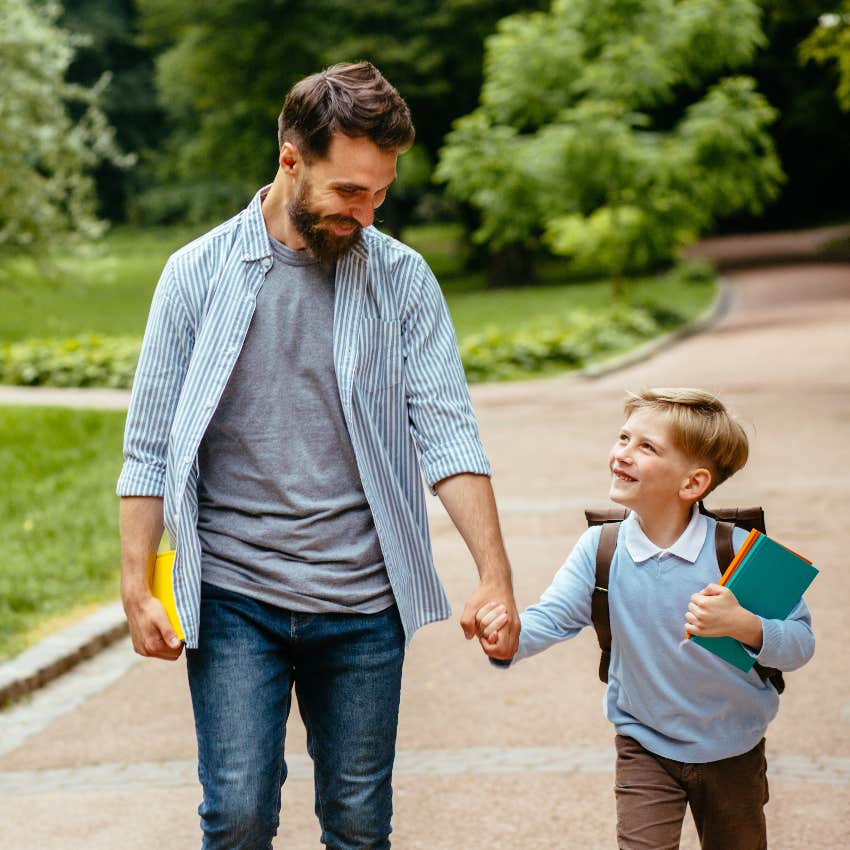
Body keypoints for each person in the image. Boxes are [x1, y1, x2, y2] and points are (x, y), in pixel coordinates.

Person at [117, 61, 518, 850]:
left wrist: (494, 577)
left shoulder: (401, 279)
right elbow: (150, 445)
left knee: (360, 825)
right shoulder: (194, 275)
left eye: (381, 193)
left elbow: (447, 432)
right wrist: (137, 585)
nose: (367, 215)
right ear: (290, 158)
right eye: (349, 193)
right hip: (235, 597)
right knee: (236, 815)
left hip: (364, 602)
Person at [477, 388, 814, 850]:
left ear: (692, 484)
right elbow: (552, 618)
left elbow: (800, 643)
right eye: (623, 438)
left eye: (646, 447)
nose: (623, 454)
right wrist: (509, 638)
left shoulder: (739, 551)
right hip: (644, 744)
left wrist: (743, 625)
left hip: (733, 747)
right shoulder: (601, 549)